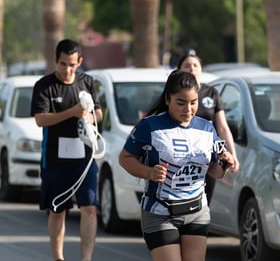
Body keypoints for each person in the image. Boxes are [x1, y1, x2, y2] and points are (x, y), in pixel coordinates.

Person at [118, 70, 235, 261]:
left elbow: (215, 172)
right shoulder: (150, 126)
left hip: (197, 211)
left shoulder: (206, 128)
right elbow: (125, 158)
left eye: (193, 102)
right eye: (181, 103)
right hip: (160, 212)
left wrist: (225, 164)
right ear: (167, 99)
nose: (188, 109)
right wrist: (149, 172)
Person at [31, 39, 103, 261]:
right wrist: (70, 112)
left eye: (72, 64)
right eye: (63, 64)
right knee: (57, 209)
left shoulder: (88, 82)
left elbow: (99, 113)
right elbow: (40, 120)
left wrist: (91, 116)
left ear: (79, 62)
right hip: (55, 158)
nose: (67, 69)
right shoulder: (44, 85)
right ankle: (58, 257)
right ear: (55, 60)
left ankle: (86, 258)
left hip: (85, 155)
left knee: (89, 207)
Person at [177, 51, 240, 204]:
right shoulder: (173, 94)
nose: (192, 69)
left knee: (203, 203)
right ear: (178, 71)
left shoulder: (211, 93)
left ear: (201, 69)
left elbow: (223, 128)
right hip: (180, 154)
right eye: (187, 66)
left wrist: (232, 154)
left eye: (195, 65)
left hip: (206, 156)